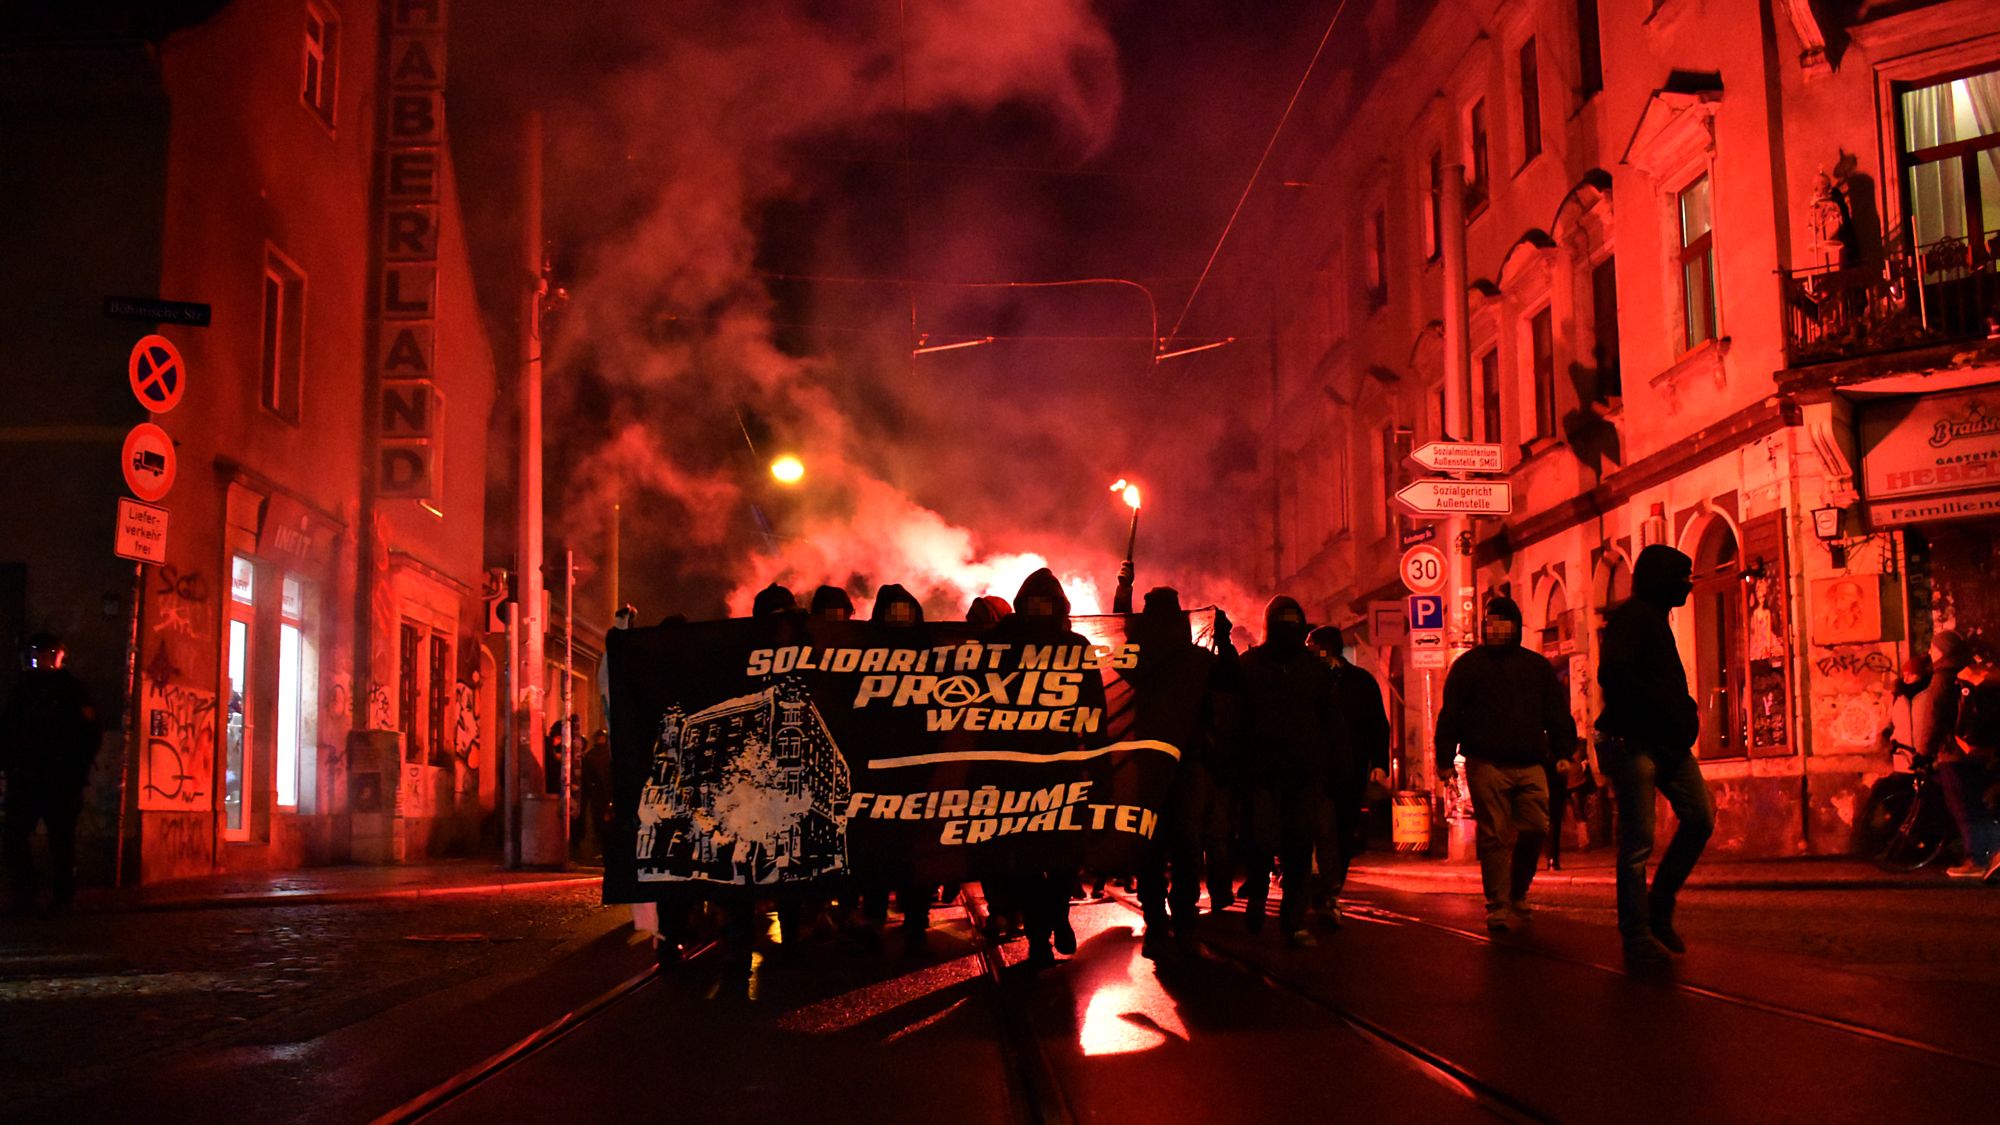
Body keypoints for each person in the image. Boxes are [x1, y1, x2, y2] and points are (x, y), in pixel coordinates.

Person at [1597, 544, 1713, 964]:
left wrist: (1679, 709)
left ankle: (1659, 904)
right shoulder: (1634, 618)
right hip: (1636, 743)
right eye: (1682, 577)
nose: (1687, 585)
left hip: (1667, 742)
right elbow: (1612, 673)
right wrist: (1665, 704)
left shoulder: (1656, 618)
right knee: (1638, 842)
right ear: (1661, 580)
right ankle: (1637, 933)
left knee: (1700, 818)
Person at [1434, 597, 1575, 933]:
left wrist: (1564, 752)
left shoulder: (1535, 667)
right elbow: (1450, 714)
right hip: (1486, 762)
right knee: (1494, 834)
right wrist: (1444, 759)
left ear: (1515, 627)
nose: (1495, 629)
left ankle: (1517, 891)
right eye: (1490, 622)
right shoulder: (1468, 666)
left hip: (1531, 761)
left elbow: (1556, 712)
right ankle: (1498, 905)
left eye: (1502, 622)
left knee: (1536, 826)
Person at [989, 568, 1106, 967]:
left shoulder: (1076, 647)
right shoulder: (1004, 645)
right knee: (1028, 860)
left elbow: (1093, 710)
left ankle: (1055, 916)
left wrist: (1098, 765)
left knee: (1062, 857)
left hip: (1060, 768)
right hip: (1019, 770)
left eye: (1046, 603)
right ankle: (1041, 935)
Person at [1237, 596, 1337, 947]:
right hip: (1262, 771)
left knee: (1298, 846)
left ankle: (1293, 921)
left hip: (1303, 772)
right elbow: (1235, 719)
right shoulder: (1249, 665)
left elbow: (1330, 720)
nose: (1289, 628)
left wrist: (1330, 767)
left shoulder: (1313, 668)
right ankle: (1258, 894)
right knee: (1261, 840)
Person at [1129, 587, 1220, 959]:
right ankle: (1182, 922)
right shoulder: (1196, 658)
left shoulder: (1139, 659)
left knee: (1152, 845)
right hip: (1186, 761)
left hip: (1153, 762)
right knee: (1185, 844)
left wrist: (1123, 596)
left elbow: (1122, 655)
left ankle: (1158, 923)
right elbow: (1229, 679)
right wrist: (1225, 640)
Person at [2, 634, 99, 914]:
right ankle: (24, 889)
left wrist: (76, 769)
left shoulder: (72, 690)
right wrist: (10, 765)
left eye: (47, 656)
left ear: (58, 657)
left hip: (61, 780)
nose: (42, 661)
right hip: (25, 778)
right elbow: (7, 731)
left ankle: (63, 894)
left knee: (61, 839)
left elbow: (89, 734)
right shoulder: (21, 691)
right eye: (38, 656)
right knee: (14, 834)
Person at [1306, 626, 1390, 927]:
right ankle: (1325, 889)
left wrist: (1379, 762)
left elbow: (1378, 724)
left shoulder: (1360, 682)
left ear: (1325, 649)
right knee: (1323, 829)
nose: (1308, 650)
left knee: (1342, 832)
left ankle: (1331, 885)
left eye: (1312, 646)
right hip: (1317, 770)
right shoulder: (1308, 679)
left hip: (1351, 771)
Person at [1942, 641, 2000, 883]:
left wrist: (1962, 741)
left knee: (1971, 807)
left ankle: (1980, 859)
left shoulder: (1969, 686)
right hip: (1990, 752)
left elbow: (1963, 725)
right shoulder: (1989, 685)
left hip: (1976, 752)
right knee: (1986, 804)